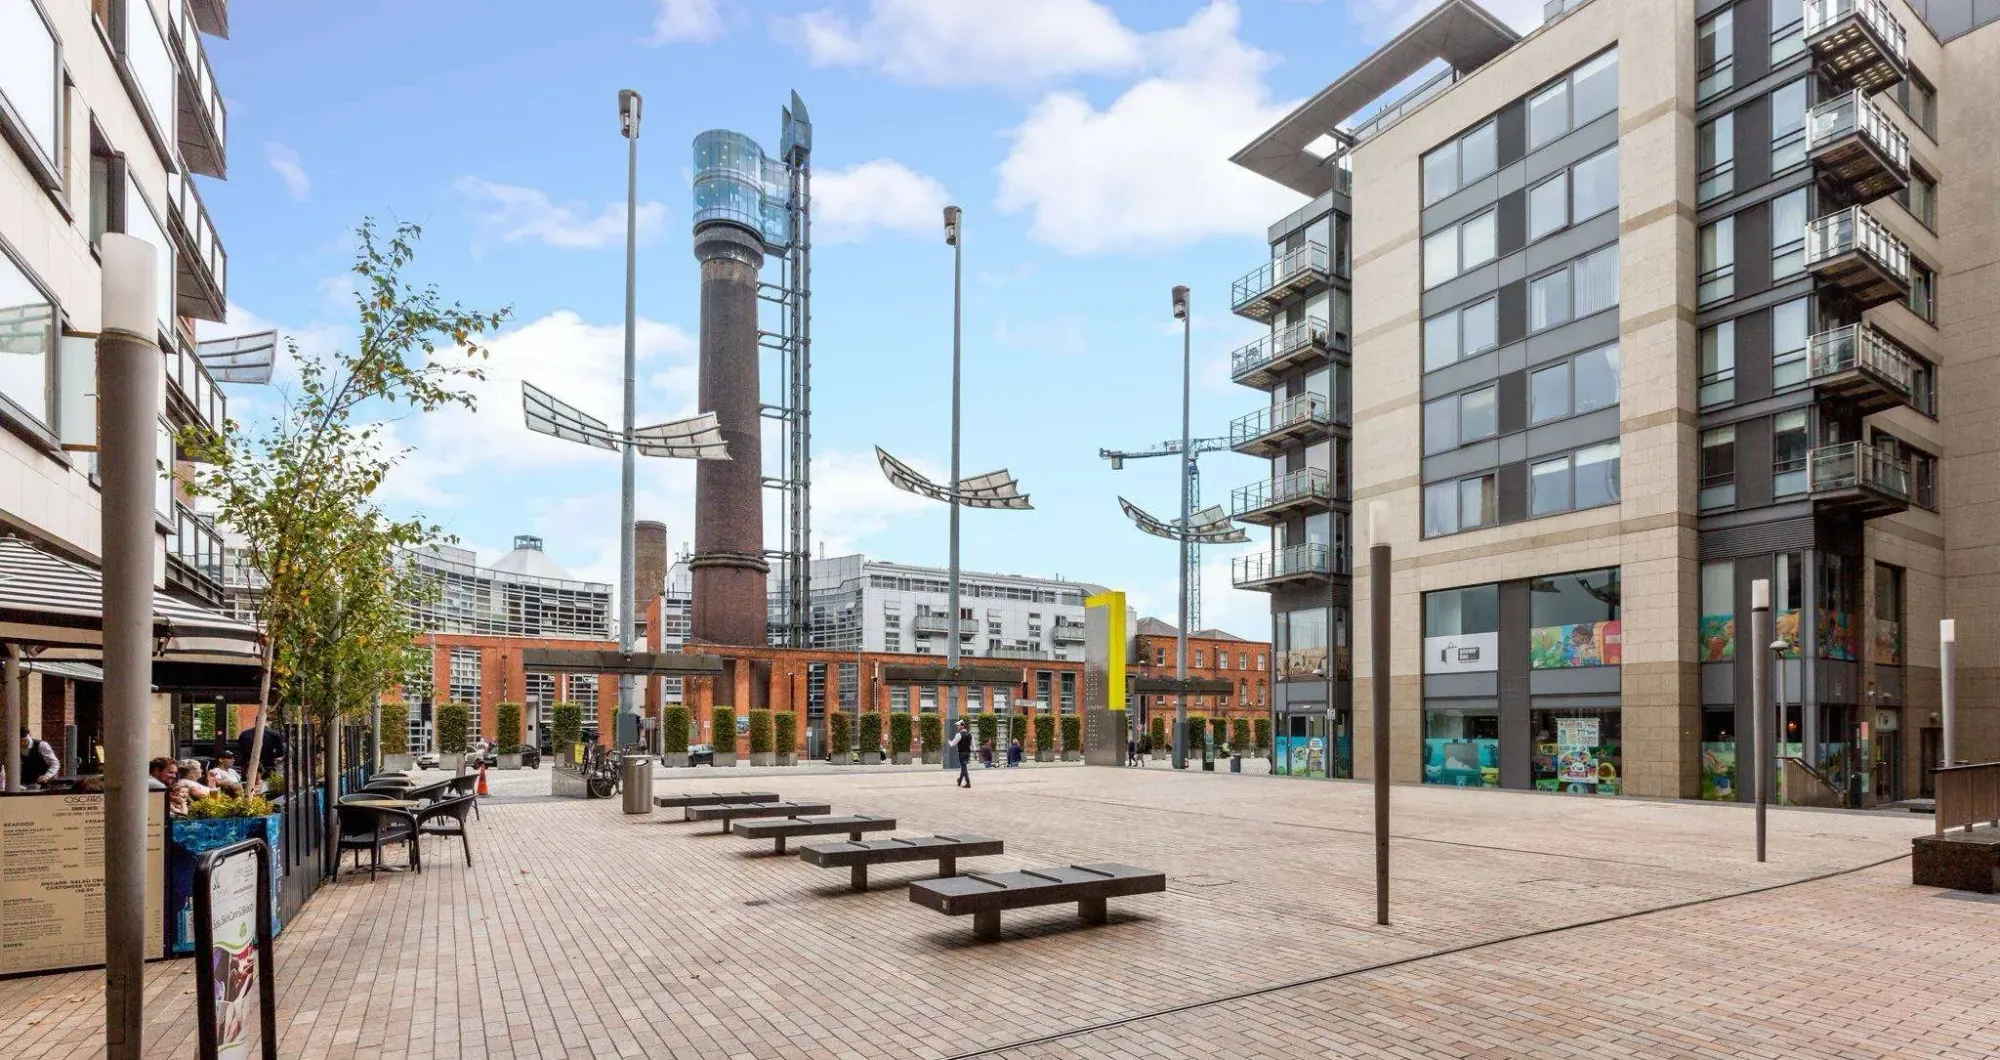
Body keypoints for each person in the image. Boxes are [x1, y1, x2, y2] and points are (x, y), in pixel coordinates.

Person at [950, 719, 973, 788]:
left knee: (964, 767)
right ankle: (959, 781)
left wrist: (949, 742)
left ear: (962, 726)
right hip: (968, 753)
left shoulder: (958, 734)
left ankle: (968, 783)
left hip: (962, 753)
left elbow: (952, 744)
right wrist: (974, 752)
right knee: (964, 767)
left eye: (958, 726)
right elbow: (973, 744)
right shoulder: (970, 734)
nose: (957, 727)